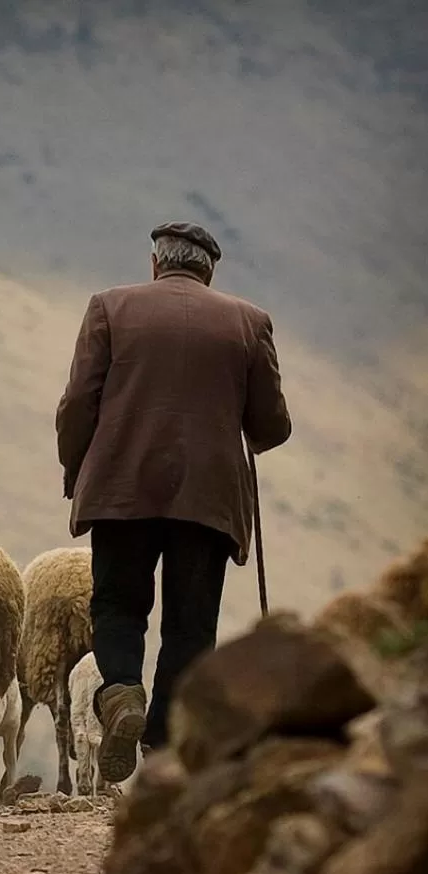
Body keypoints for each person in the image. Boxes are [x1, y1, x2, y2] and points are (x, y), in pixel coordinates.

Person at [54, 221, 292, 783]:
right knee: (190, 625)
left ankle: (120, 696)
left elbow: (77, 403)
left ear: (156, 264)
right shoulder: (248, 322)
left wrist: (77, 470)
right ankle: (162, 746)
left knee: (117, 604)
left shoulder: (109, 307)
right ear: (210, 271)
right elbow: (272, 424)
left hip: (122, 488)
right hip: (206, 499)